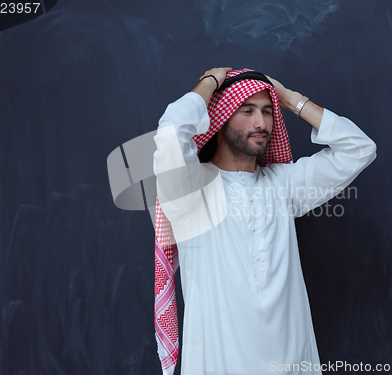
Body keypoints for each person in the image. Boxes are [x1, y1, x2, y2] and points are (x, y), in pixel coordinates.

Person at [153, 68, 377, 375]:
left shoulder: (283, 185)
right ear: (220, 115)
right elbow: (170, 134)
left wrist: (290, 100)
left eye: (268, 112)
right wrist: (211, 83)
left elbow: (360, 149)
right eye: (247, 110)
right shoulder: (190, 188)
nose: (261, 123)